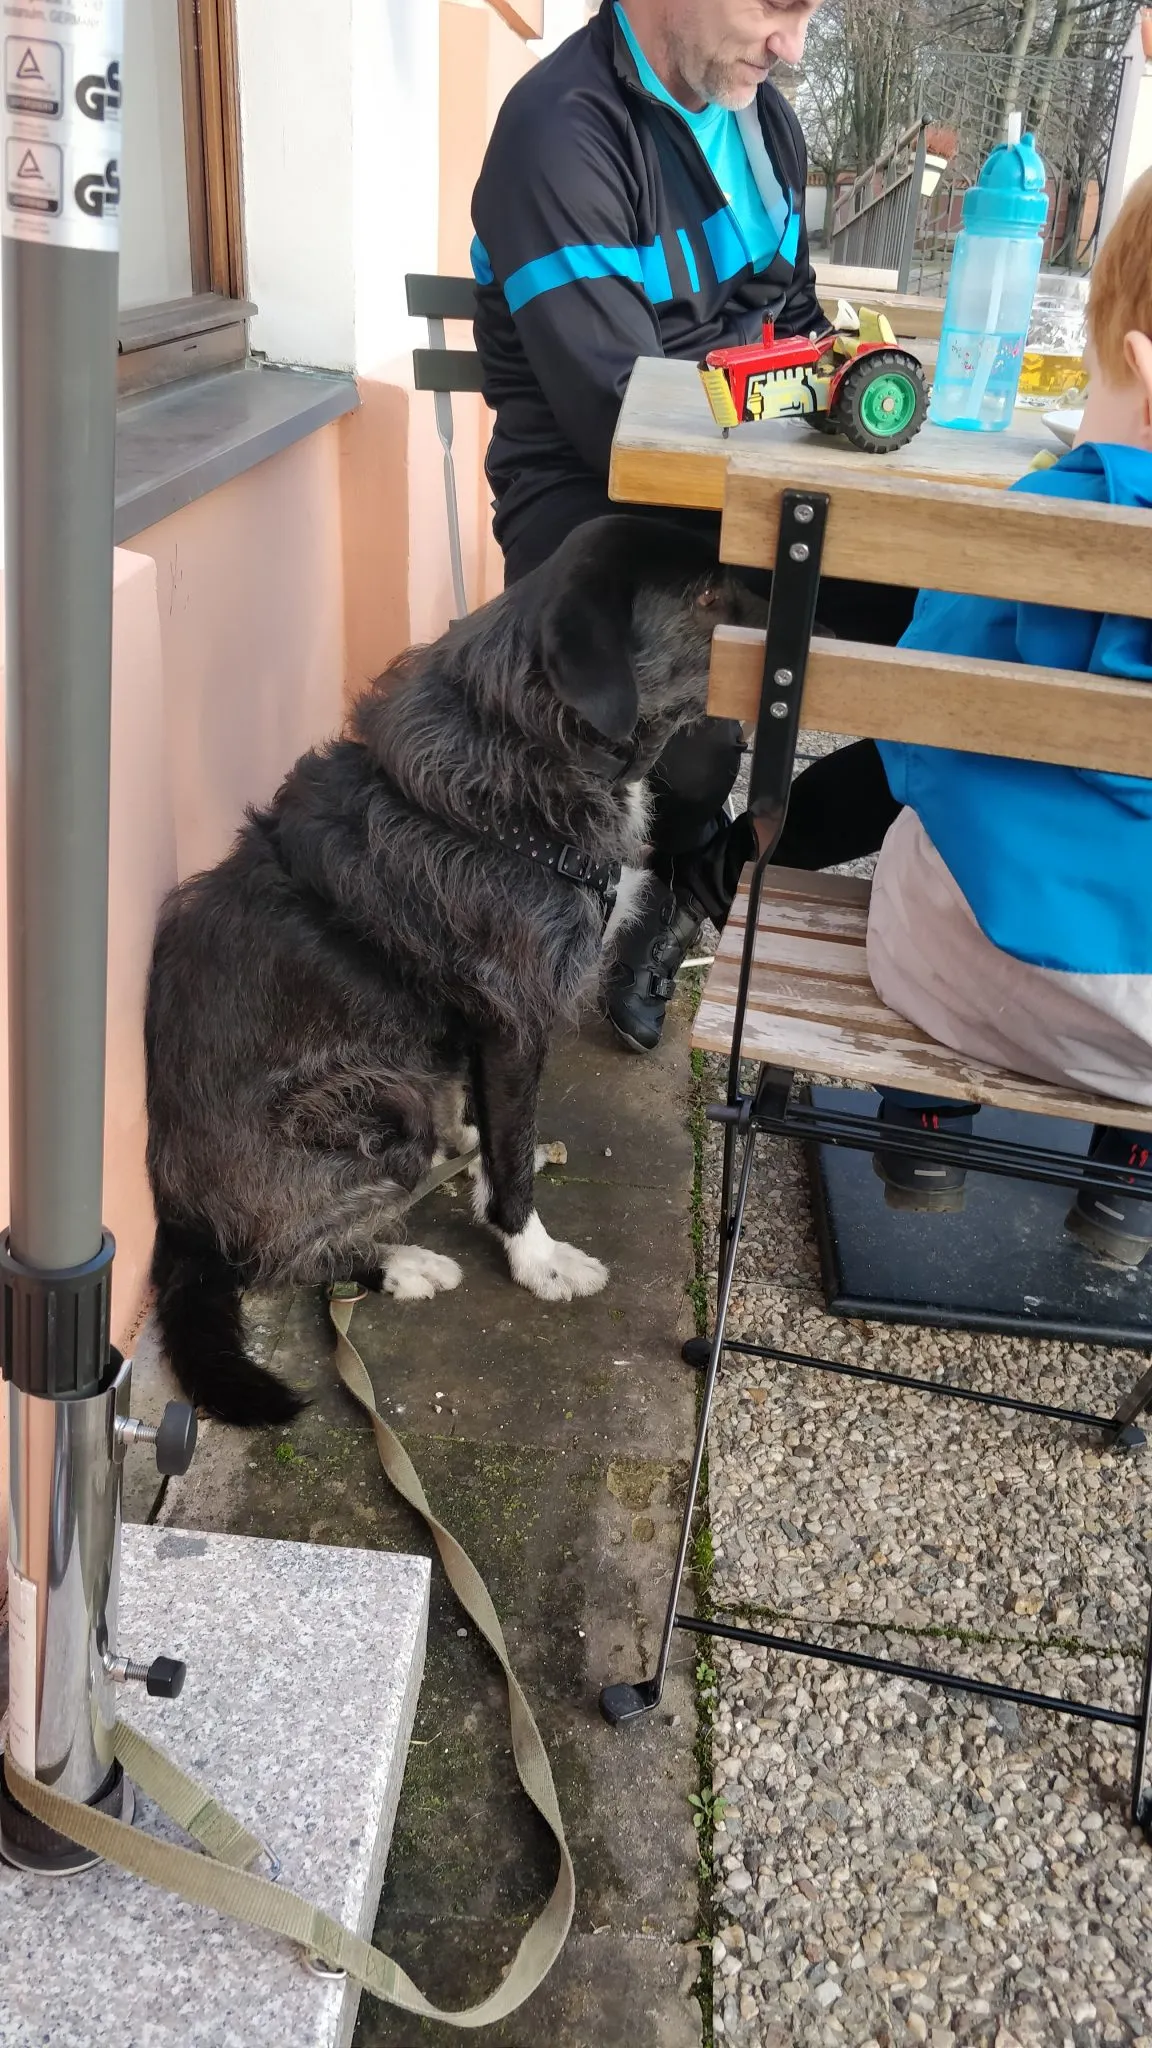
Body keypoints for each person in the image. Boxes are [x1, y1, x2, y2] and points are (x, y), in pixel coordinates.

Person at [471, 0, 912, 1054]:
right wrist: (789, 429)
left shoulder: (762, 120)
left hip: (755, 483)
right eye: (776, 6)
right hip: (596, 500)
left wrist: (830, 383)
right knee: (690, 678)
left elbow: (792, 313)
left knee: (968, 647)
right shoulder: (559, 132)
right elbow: (625, 420)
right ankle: (655, 861)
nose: (793, 46)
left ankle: (704, 881)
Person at [866, 169, 1152, 1269]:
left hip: (976, 986)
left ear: (1137, 371)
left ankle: (926, 1129)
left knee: (913, 837)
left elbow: (909, 729)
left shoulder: (1044, 524)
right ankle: (1130, 1178)